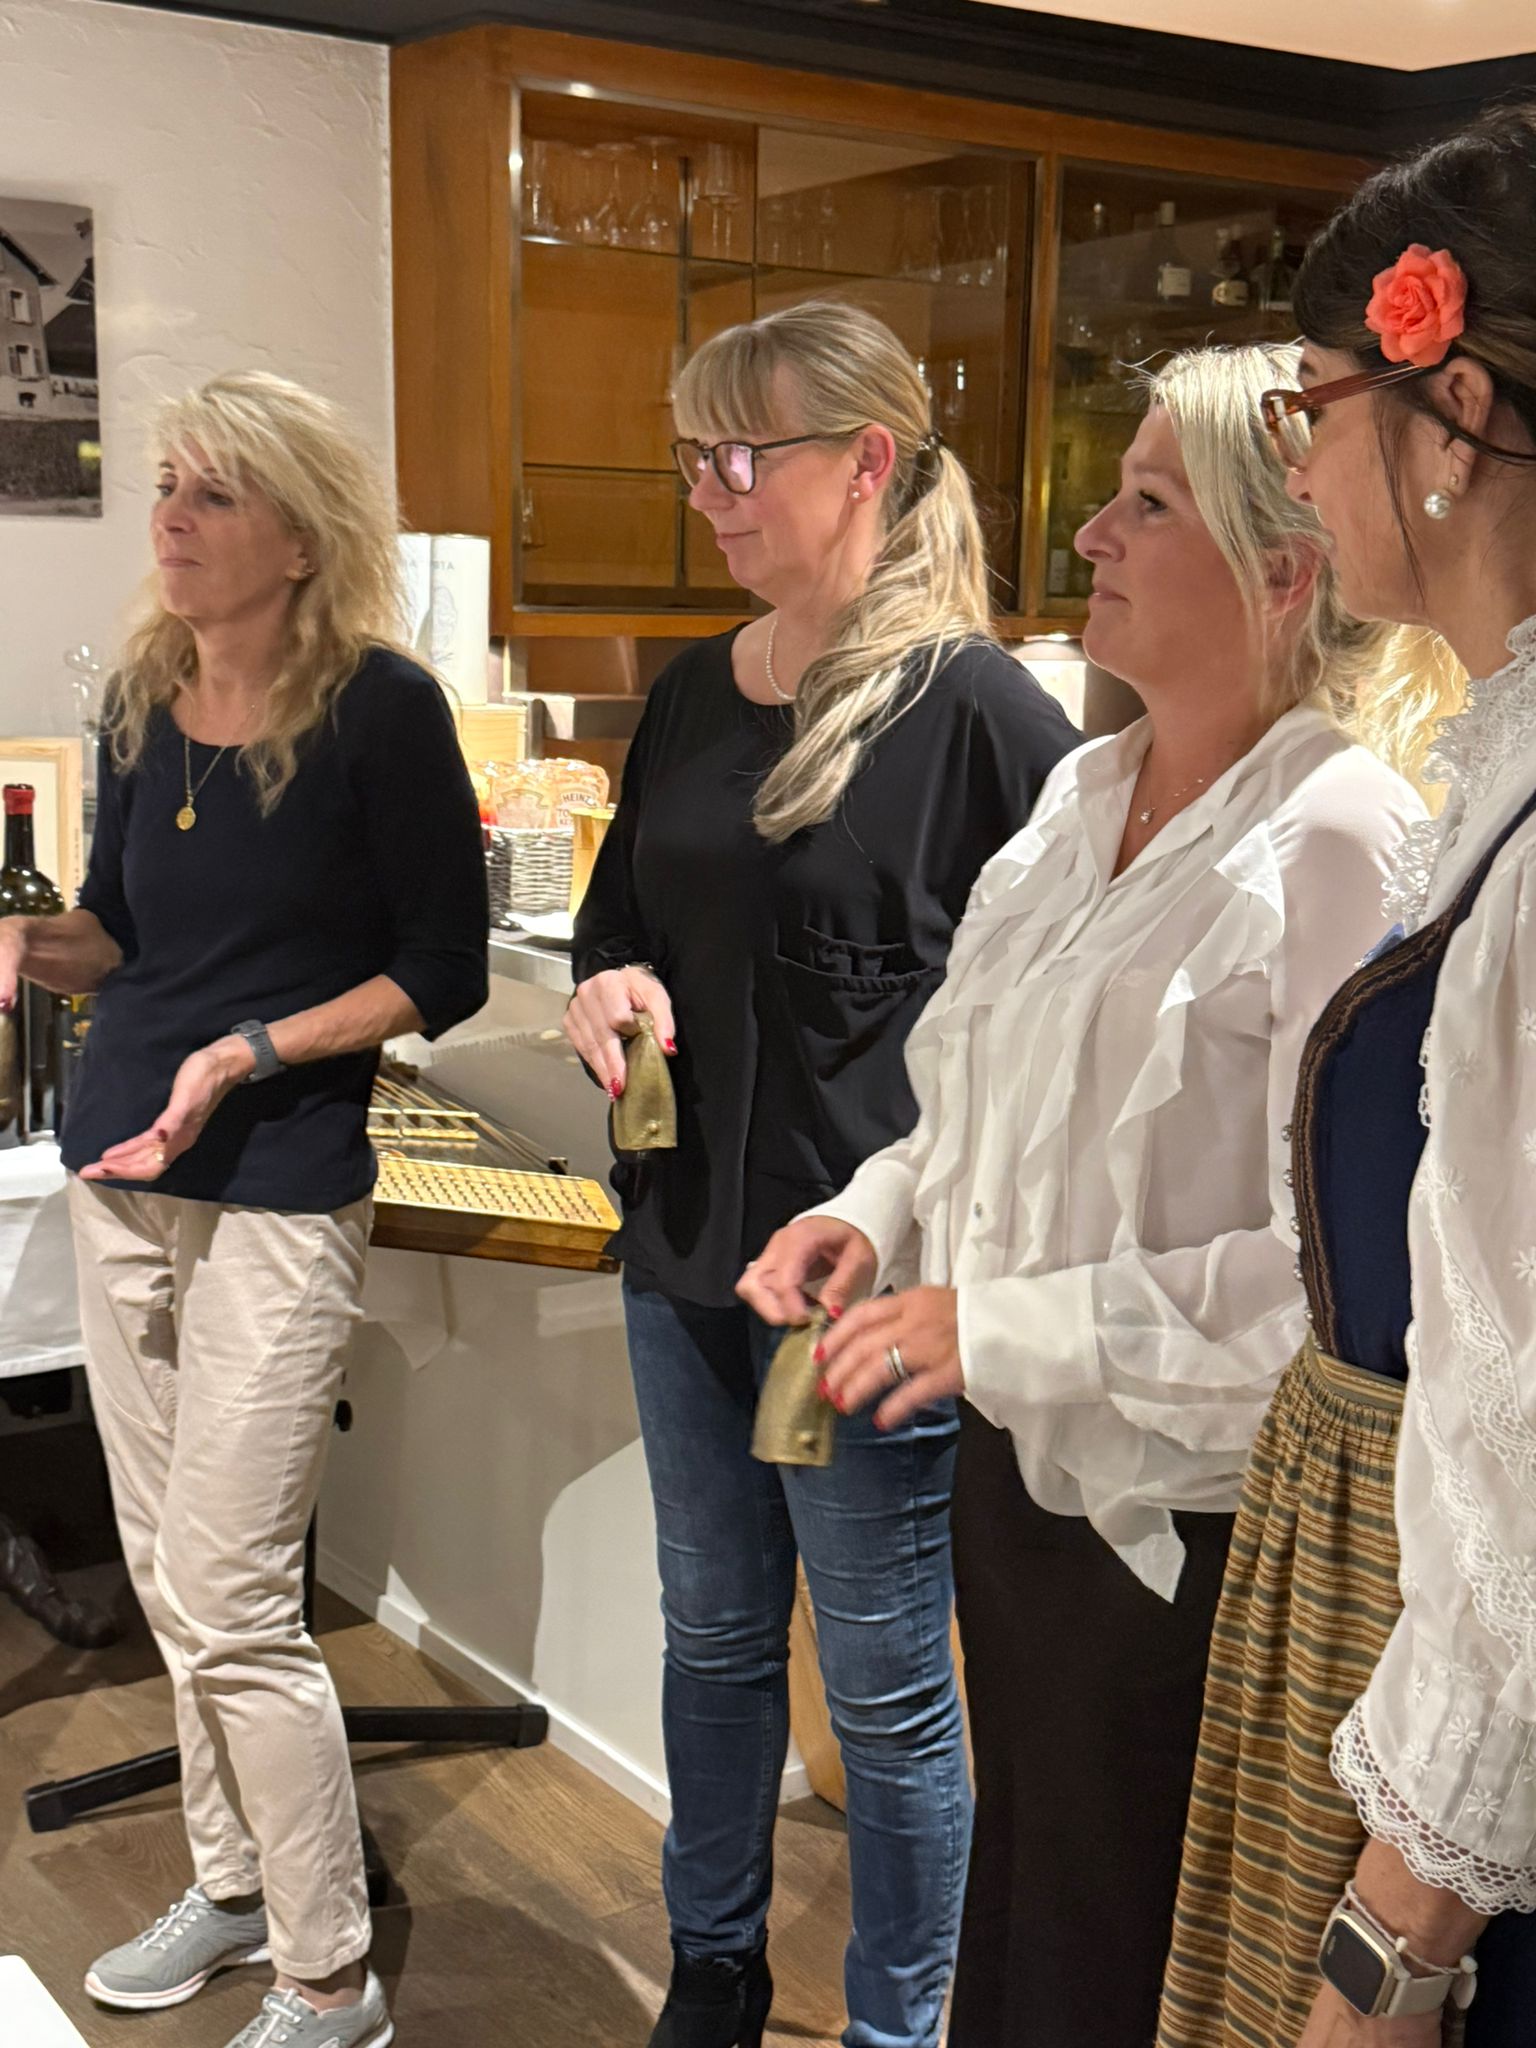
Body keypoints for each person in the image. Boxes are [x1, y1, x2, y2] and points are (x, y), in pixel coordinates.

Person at [742, 341, 1429, 2048]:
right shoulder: (1076, 795)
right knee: (1031, 1909)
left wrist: (1002, 1324)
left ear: (1285, 571)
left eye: (1148, 504)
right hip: (1023, 1482)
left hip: (1191, 1527)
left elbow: (1333, 1278)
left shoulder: (1341, 835)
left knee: (1123, 1952)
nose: (1091, 536)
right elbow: (970, 1105)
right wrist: (876, 1215)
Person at [565, 299, 1076, 2048]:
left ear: (867, 461)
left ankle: (897, 2025)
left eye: (739, 455)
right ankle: (713, 1968)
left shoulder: (979, 712)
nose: (708, 492)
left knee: (881, 1692)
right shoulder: (692, 693)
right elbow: (618, 918)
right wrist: (605, 987)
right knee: (711, 1637)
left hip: (850, 1293)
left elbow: (1058, 1006)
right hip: (686, 1254)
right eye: (690, 457)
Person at [0, 371, 487, 2048]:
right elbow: (121, 933)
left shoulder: (382, 713)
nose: (173, 521)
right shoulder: (144, 697)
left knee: (232, 1591)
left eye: (214, 494)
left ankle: (328, 1974)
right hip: (121, 1171)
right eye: (167, 487)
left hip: (277, 1186)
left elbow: (441, 968)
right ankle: (231, 1885)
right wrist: (32, 947)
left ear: (299, 536)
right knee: (162, 1568)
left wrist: (256, 1050)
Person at [1158, 102, 1536, 2048]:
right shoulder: (1495, 769)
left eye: (1315, 405)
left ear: (1450, 411)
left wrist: (1398, 1934)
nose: (1297, 459)